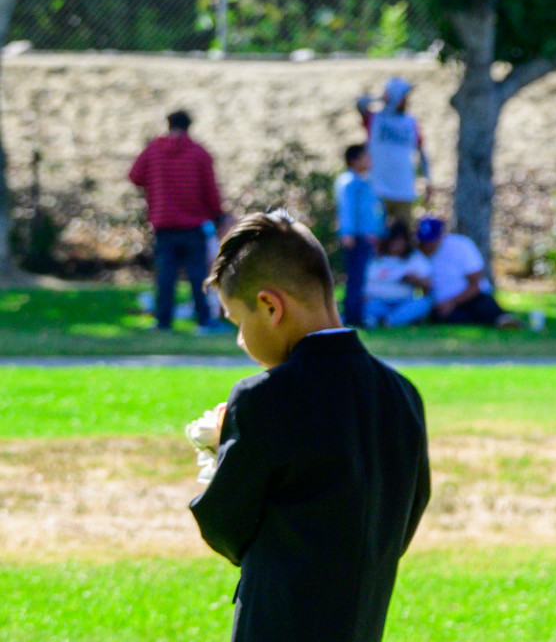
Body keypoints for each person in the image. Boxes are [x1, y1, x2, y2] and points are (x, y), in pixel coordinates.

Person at [190, 211, 431, 642]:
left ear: (270, 306)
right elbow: (406, 516)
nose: (241, 341)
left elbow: (226, 526)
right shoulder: (401, 395)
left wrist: (222, 448)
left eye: (238, 322)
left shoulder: (264, 398)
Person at [129, 109, 229, 334]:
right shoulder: (199, 153)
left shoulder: (153, 150)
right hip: (194, 223)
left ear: (168, 124)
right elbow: (210, 189)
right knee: (198, 275)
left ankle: (163, 322)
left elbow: (135, 176)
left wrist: (156, 186)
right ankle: (204, 320)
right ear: (189, 126)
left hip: (163, 222)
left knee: (165, 275)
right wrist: (217, 214)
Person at [414, 217, 515, 328]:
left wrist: (452, 302)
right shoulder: (416, 253)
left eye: (430, 241)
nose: (426, 245)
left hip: (471, 298)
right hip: (441, 305)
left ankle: (502, 320)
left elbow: (475, 283)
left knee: (484, 306)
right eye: (423, 241)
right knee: (447, 317)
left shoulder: (461, 245)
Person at [355, 78, 431, 226]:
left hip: (404, 190)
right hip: (378, 189)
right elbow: (360, 103)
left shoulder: (411, 122)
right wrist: (381, 98)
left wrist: (428, 179)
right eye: (403, 97)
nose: (406, 101)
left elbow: (422, 153)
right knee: (377, 232)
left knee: (403, 233)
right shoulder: (375, 119)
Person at [334, 144, 385, 328]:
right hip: (355, 238)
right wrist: (347, 233)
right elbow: (346, 210)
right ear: (354, 160)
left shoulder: (365, 181)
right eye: (365, 157)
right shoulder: (349, 183)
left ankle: (357, 313)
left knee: (361, 277)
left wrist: (377, 232)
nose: (369, 161)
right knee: (355, 277)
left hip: (365, 237)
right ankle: (351, 315)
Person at [362, 226, 435, 329]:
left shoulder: (414, 258)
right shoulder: (375, 257)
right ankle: (375, 319)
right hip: (377, 302)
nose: (396, 244)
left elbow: (429, 284)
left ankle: (390, 321)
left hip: (402, 303)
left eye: (400, 241)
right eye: (393, 240)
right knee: (365, 307)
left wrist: (414, 279)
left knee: (424, 303)